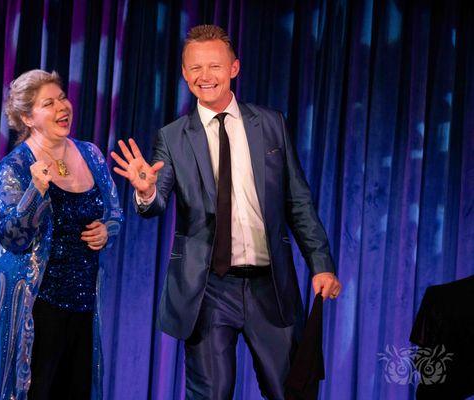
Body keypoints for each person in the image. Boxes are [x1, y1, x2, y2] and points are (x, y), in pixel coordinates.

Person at [111, 25, 341, 399]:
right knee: (211, 394)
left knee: (292, 390)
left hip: (270, 286)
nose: (205, 77)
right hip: (208, 290)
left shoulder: (270, 124)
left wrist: (321, 263)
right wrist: (147, 191)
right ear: (185, 74)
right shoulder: (171, 137)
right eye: (195, 68)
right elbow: (157, 202)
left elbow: (298, 201)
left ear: (234, 68)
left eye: (214, 66)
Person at [0, 69, 122, 400]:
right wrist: (35, 191)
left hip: (82, 302)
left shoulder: (91, 154)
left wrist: (105, 231)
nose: (62, 107)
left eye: (63, 98)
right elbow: (12, 237)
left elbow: (114, 212)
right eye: (48, 103)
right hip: (34, 304)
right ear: (27, 117)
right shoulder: (16, 167)